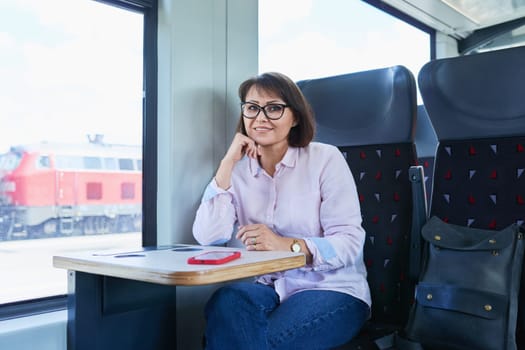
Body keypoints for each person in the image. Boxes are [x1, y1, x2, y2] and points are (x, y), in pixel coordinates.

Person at [192, 72, 371, 349]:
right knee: (227, 300)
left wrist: (288, 245)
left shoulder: (326, 159)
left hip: (330, 287)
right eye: (252, 108)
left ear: (295, 117)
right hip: (268, 287)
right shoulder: (238, 172)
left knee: (261, 342)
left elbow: (349, 244)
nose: (260, 117)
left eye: (274, 108)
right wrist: (227, 163)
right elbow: (209, 236)